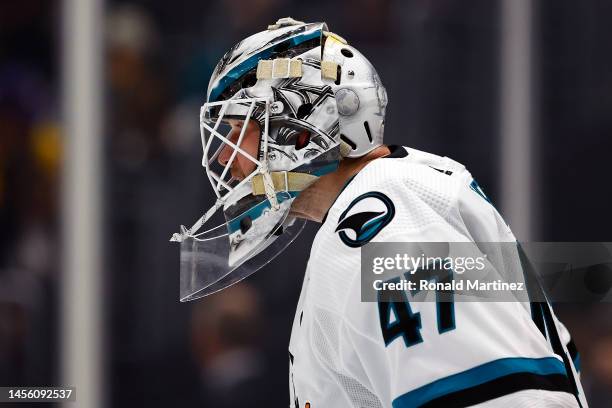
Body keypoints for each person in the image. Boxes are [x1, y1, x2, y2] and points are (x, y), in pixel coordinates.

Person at [171, 17, 587, 407]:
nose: (226, 155)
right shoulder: (378, 206)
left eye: (240, 130)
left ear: (296, 126)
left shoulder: (383, 215)